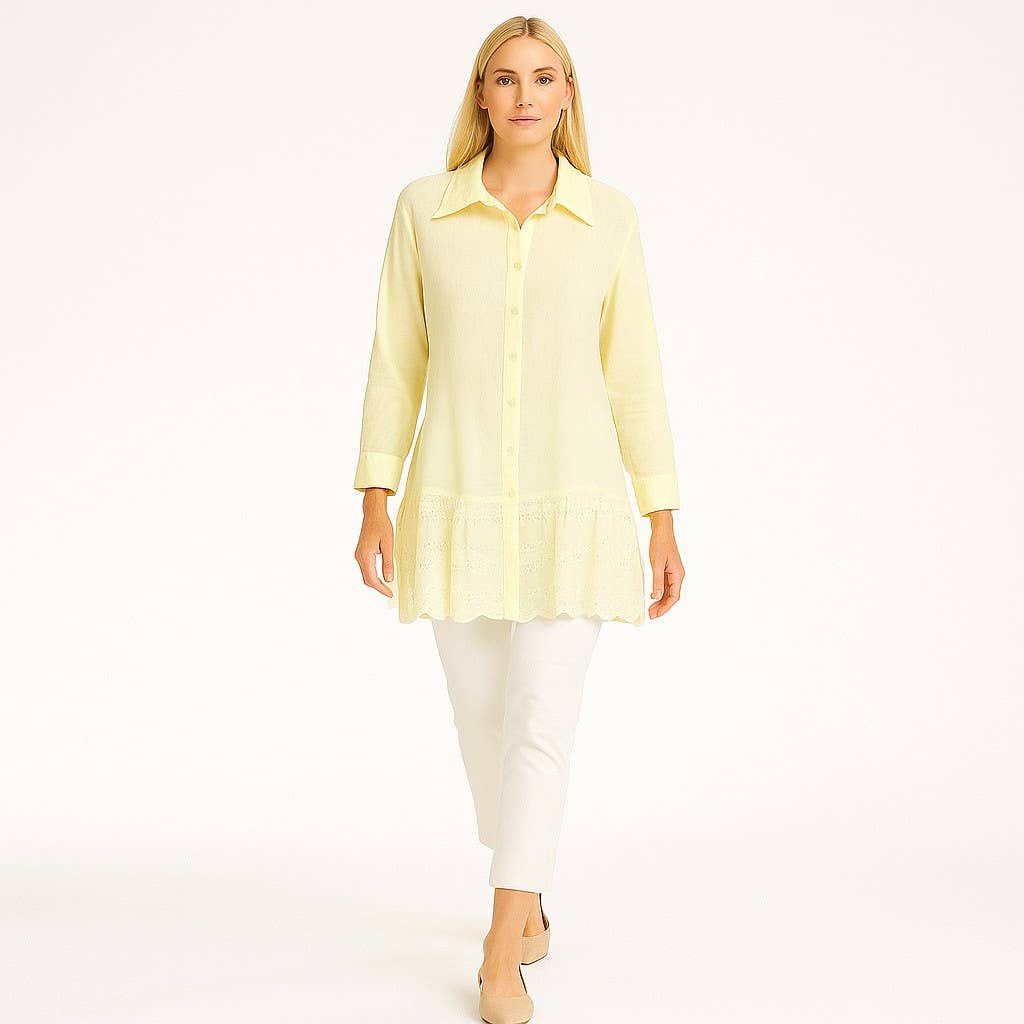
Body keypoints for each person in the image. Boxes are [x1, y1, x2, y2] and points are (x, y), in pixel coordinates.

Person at [353, 16, 685, 1023]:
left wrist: (661, 513)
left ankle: (503, 946)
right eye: (505, 79)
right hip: (454, 504)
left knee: (540, 721)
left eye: (544, 78)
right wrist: (374, 495)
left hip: (574, 508)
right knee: (482, 722)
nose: (525, 95)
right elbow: (396, 358)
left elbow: (633, 373)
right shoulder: (424, 210)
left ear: (569, 93)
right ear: (481, 96)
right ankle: (528, 886)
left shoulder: (609, 219)